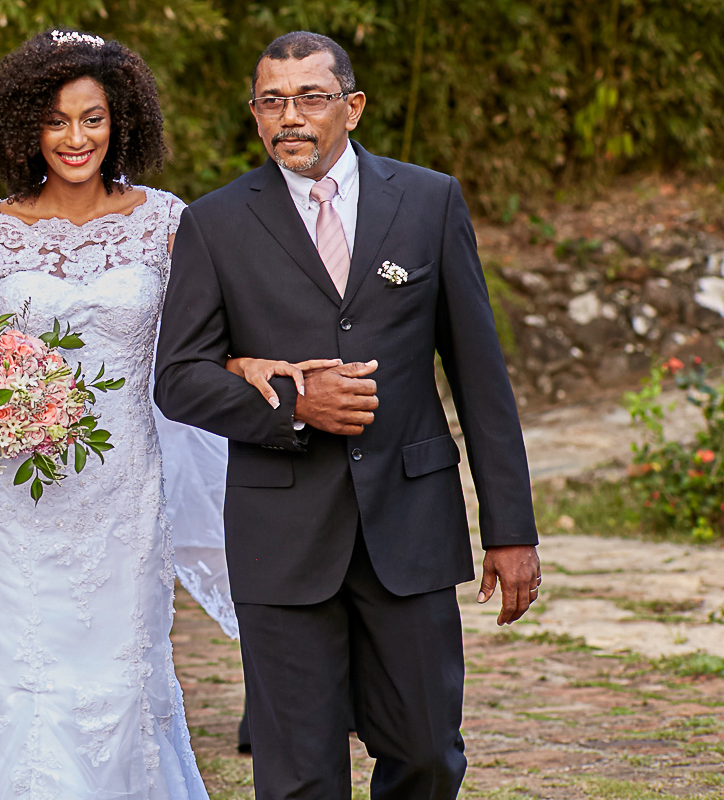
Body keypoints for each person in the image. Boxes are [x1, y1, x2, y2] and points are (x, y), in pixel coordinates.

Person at [155, 31, 543, 800]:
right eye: (271, 101)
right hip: (282, 538)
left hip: (411, 524)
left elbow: (480, 377)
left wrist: (511, 529)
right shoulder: (215, 222)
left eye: (309, 98)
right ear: (255, 114)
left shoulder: (430, 201)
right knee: (298, 775)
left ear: (352, 107)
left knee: (430, 753)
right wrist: (297, 406)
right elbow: (177, 379)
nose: (288, 117)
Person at [0, 29, 286, 799]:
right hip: (23, 493)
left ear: (121, 121)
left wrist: (248, 361)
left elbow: (202, 341)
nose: (75, 138)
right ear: (27, 126)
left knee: (121, 669)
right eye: (56, 121)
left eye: (92, 118)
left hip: (127, 485)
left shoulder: (164, 222)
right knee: (16, 668)